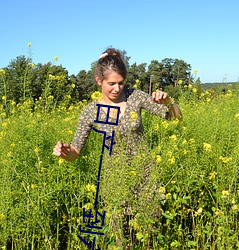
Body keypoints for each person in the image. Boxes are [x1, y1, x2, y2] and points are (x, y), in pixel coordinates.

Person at [53, 47, 182, 247]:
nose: (117, 88)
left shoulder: (135, 97)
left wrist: (169, 102)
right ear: (99, 81)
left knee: (150, 235)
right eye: (111, 83)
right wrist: (65, 152)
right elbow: (76, 151)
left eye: (121, 83)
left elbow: (175, 118)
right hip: (114, 182)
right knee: (119, 238)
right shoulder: (91, 111)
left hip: (145, 176)